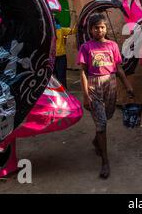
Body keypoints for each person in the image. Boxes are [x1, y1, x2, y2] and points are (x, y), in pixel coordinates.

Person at [77, 13, 134, 179]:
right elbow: (82, 72)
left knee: (106, 117)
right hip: (94, 85)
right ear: (90, 30)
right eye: (96, 28)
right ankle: (105, 161)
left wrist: (128, 85)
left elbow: (119, 68)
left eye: (102, 27)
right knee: (101, 124)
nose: (99, 30)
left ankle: (96, 141)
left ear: (105, 28)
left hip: (111, 85)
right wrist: (86, 95)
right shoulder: (86, 48)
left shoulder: (113, 45)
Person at [54, 18, 76, 88]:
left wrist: (77, 23)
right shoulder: (46, 31)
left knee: (61, 75)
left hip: (61, 56)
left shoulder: (61, 30)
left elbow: (73, 31)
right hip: (50, 57)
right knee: (51, 77)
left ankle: (63, 92)